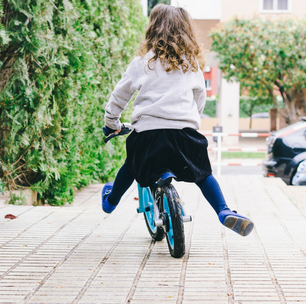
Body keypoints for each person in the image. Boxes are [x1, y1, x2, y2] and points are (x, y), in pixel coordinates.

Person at [101, 4, 254, 237]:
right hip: (184, 134)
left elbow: (119, 97)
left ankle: (111, 201)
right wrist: (192, 122)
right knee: (203, 174)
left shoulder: (141, 62)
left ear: (152, 28)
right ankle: (223, 211)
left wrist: (112, 123)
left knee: (132, 165)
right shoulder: (191, 65)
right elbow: (199, 98)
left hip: (148, 135)